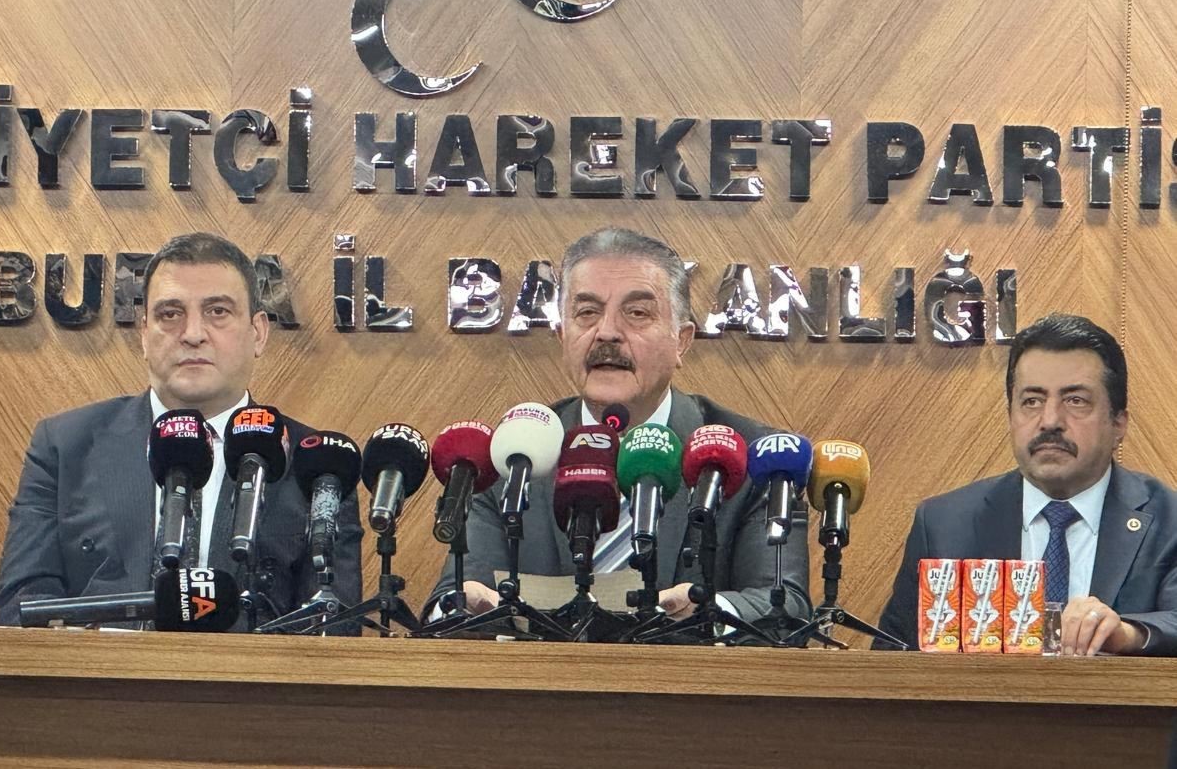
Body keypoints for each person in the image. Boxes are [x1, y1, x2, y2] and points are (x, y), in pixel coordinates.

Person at [428, 227, 811, 624]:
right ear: (562, 335)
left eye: (637, 313)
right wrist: (457, 607)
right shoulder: (511, 455)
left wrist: (710, 613)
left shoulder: (754, 458)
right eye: (587, 313)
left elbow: (785, 605)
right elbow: (456, 594)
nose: (607, 333)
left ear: (682, 341)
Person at [0, 231, 362, 627]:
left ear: (258, 333)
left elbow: (334, 627)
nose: (193, 334)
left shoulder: (318, 465)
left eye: (217, 311)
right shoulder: (66, 446)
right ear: (144, 334)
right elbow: (20, 608)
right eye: (170, 314)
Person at [876, 313, 1177, 655]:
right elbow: (893, 656)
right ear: (1010, 415)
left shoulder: (1169, 522)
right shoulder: (944, 525)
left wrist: (1129, 634)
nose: (1050, 421)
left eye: (1075, 401)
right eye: (1032, 401)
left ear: (1118, 423)